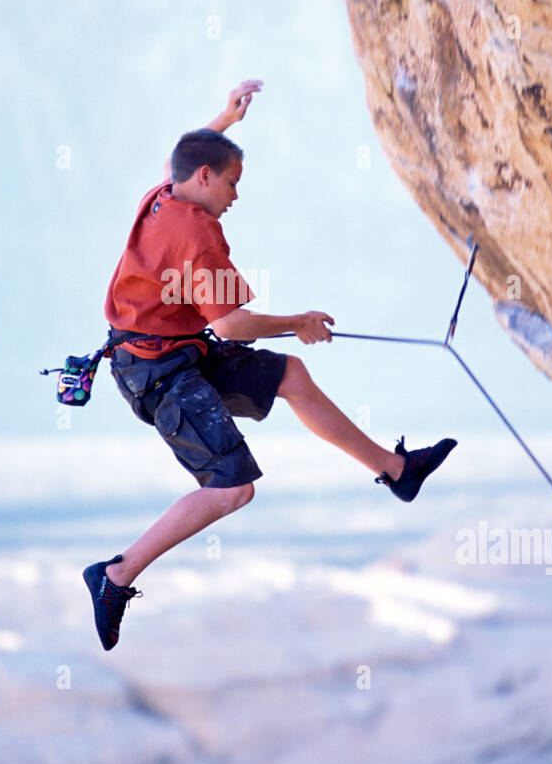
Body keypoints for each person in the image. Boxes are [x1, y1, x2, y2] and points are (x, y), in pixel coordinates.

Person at [83, 80, 456, 649]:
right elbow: (231, 324)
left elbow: (181, 158)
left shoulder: (166, 194)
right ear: (206, 178)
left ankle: (398, 473)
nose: (236, 195)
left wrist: (225, 121)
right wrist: (298, 323)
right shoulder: (200, 236)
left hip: (178, 350)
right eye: (232, 182)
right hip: (157, 373)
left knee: (292, 378)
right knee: (234, 489)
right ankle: (115, 576)